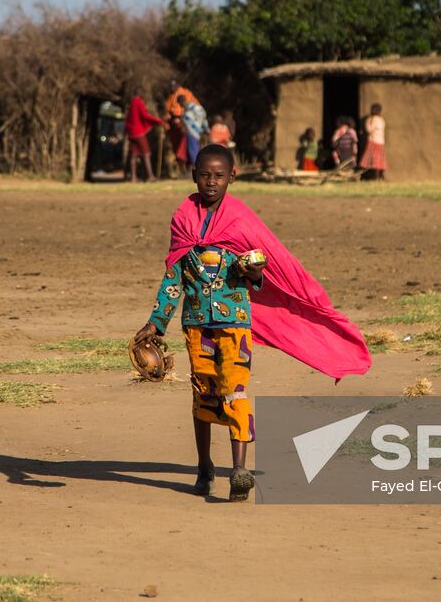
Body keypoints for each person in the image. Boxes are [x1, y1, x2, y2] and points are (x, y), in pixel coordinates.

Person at [134, 144, 371, 502]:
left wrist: (255, 272)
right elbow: (173, 278)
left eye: (218, 176)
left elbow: (261, 275)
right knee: (202, 395)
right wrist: (156, 323)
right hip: (197, 325)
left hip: (235, 325)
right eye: (204, 175)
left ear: (232, 176)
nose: (210, 182)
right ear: (193, 175)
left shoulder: (241, 221)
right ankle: (204, 467)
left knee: (235, 391)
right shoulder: (183, 218)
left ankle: (239, 469)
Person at [124, 86, 166, 182]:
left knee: (134, 155)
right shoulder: (138, 102)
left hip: (131, 133)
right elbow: (145, 116)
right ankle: (150, 176)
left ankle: (133, 178)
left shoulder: (132, 103)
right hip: (138, 133)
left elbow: (128, 119)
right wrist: (159, 121)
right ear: (140, 93)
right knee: (146, 154)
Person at [166, 79, 208, 164]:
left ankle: (196, 165)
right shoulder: (171, 96)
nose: (171, 88)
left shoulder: (186, 94)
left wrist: (202, 127)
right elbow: (170, 109)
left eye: (173, 85)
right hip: (183, 127)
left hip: (192, 129)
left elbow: (197, 114)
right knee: (190, 148)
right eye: (170, 86)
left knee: (193, 148)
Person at [360, 103, 388, 180]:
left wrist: (368, 122)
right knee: (379, 160)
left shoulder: (373, 119)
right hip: (380, 142)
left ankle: (372, 177)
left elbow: (369, 129)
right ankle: (380, 176)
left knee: (372, 160)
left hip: (373, 141)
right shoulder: (382, 120)